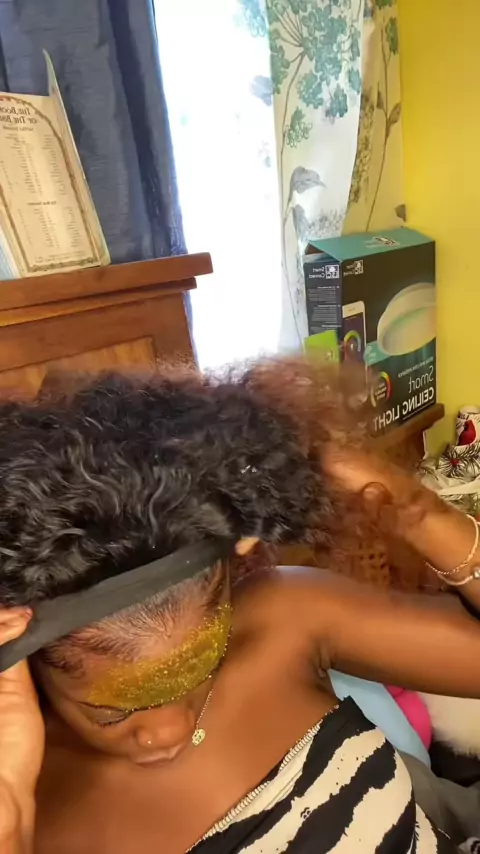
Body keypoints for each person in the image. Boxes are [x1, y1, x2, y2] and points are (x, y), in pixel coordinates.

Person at [0, 360, 480, 854]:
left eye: (200, 669)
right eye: (110, 713)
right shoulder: (21, 791)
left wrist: (421, 513)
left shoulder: (285, 619)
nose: (171, 730)